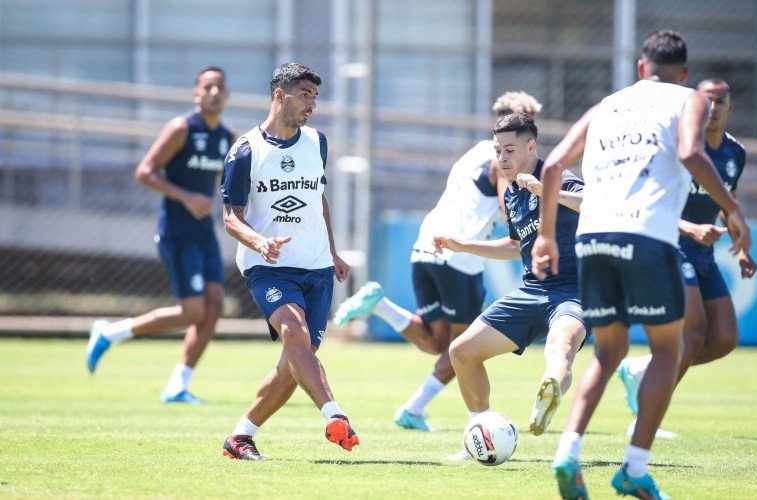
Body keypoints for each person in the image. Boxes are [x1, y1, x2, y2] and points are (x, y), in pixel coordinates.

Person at [532, 30, 751, 499]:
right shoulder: (689, 100)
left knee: (606, 353)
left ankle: (568, 453)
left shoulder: (606, 106)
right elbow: (692, 154)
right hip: (647, 236)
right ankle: (633, 468)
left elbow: (551, 169)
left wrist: (547, 235)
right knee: (669, 352)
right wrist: (732, 208)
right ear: (685, 73)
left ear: (639, 68)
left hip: (592, 236)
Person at [332, 92, 543, 432]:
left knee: (434, 342)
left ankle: (381, 305)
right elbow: (509, 206)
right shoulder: (503, 162)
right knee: (464, 349)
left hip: (425, 245)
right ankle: (428, 412)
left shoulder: (470, 154)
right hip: (459, 258)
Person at [218, 62, 357, 461]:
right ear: (280, 95)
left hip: (316, 266)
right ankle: (336, 414)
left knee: (298, 361)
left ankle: (240, 436)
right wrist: (260, 243)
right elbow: (230, 217)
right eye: (304, 95)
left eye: (314, 96)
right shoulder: (246, 150)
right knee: (294, 334)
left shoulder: (317, 142)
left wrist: (331, 253)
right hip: (268, 266)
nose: (312, 104)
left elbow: (319, 200)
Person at [436, 112, 587, 460]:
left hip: (574, 291)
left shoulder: (557, 176)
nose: (501, 159)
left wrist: (549, 190)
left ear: (531, 147)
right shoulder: (512, 195)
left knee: (561, 343)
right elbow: (513, 245)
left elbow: (594, 204)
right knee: (461, 352)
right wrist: (463, 245)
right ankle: (482, 431)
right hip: (532, 292)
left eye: (509, 150)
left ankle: (549, 390)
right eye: (497, 151)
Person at [616, 78, 757, 436]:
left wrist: (741, 244)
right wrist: (690, 228)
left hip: (704, 251)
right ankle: (645, 419)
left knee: (724, 338)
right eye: (705, 101)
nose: (712, 108)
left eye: (719, 101)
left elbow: (728, 203)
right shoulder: (681, 145)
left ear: (730, 107)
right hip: (672, 242)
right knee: (693, 330)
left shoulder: (735, 153)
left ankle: (644, 369)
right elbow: (652, 201)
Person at [85, 66, 234, 404]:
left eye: (220, 87)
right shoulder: (181, 128)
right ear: (196, 94)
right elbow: (145, 171)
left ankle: (177, 386)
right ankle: (111, 332)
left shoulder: (227, 136)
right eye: (208, 87)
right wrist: (186, 196)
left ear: (226, 95)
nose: (214, 92)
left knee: (214, 310)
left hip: (205, 233)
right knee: (193, 313)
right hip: (178, 233)